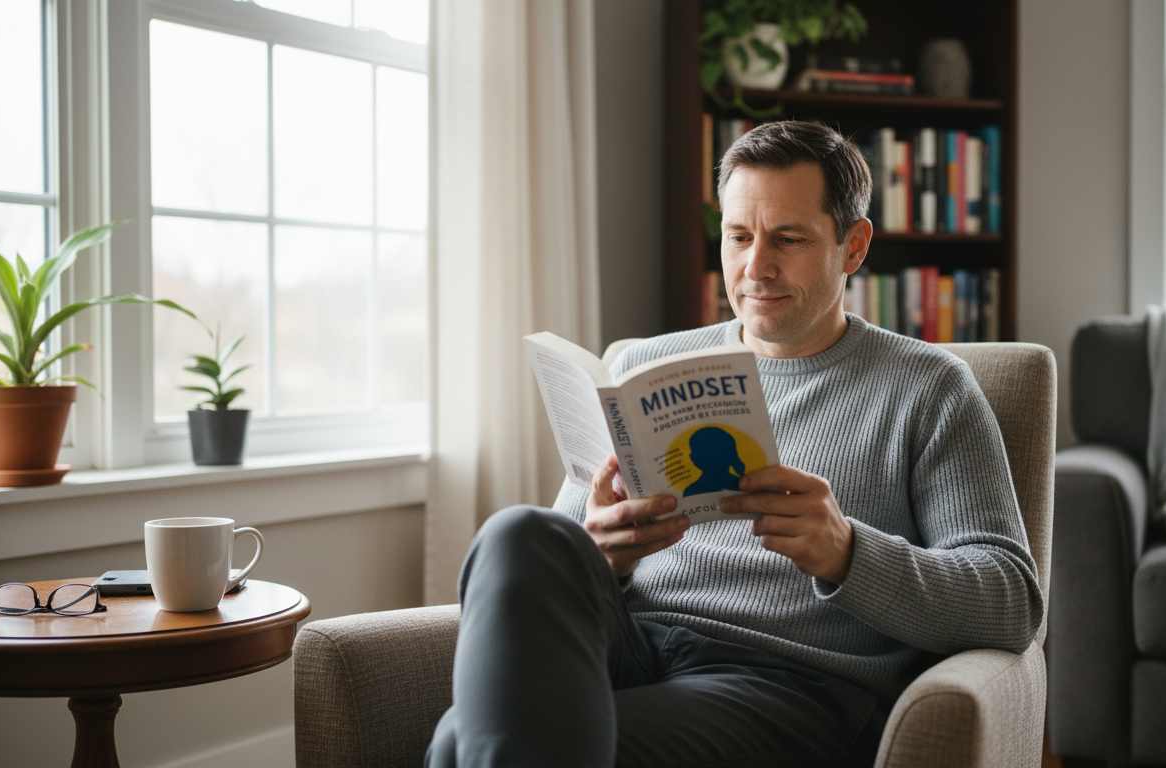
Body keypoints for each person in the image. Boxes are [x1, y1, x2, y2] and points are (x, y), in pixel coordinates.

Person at [426, 120, 1043, 768]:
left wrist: (846, 552)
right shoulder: (643, 364)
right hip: (631, 644)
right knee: (518, 533)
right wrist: (600, 548)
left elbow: (1009, 601)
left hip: (787, 682)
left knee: (458, 743)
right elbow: (543, 574)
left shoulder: (930, 389)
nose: (756, 267)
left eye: (788, 239)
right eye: (739, 237)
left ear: (853, 246)